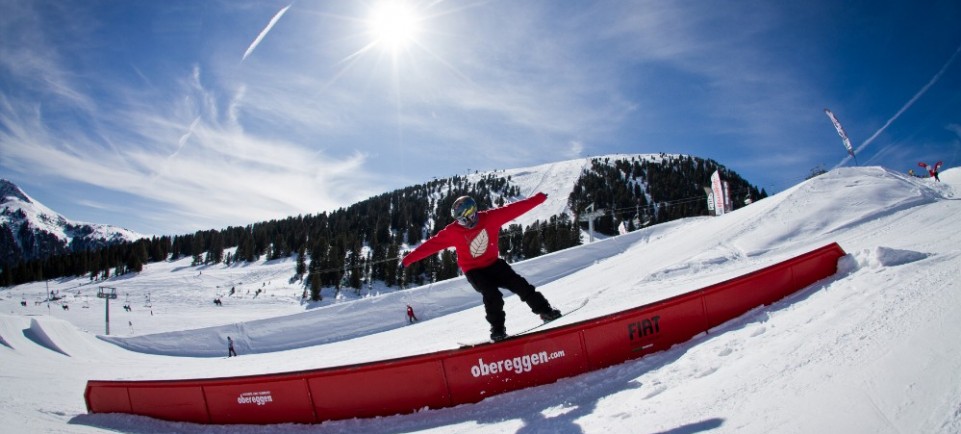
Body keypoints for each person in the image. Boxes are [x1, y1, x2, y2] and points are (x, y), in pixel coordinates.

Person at [401, 193, 561, 342]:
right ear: (457, 220)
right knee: (492, 294)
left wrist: (538, 199)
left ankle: (545, 311)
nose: (470, 222)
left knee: (520, 284)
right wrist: (408, 260)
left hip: (494, 263)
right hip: (474, 270)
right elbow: (431, 245)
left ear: (476, 211)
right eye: (464, 220)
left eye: (471, 216)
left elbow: (515, 209)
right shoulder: (453, 232)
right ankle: (497, 330)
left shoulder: (491, 218)